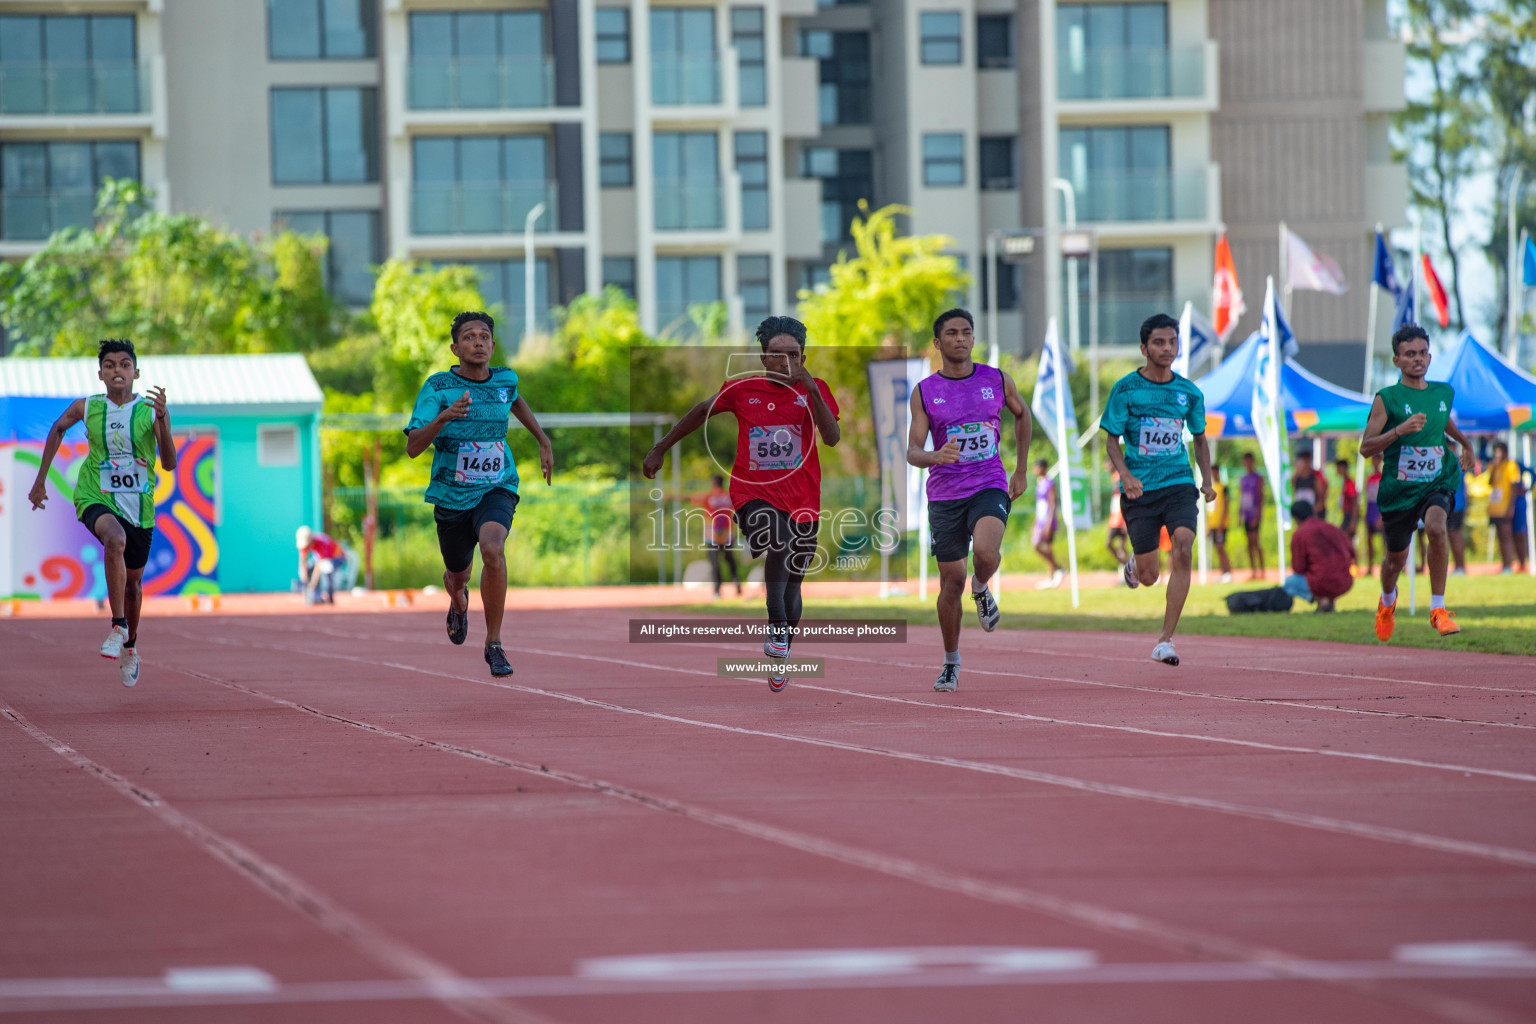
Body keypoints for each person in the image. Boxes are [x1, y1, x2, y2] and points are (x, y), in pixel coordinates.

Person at [644, 315, 840, 693]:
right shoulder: (742, 388)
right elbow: (702, 411)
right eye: (777, 355)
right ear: (763, 357)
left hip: (803, 499)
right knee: (778, 541)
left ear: (804, 357)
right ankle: (775, 627)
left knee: (793, 586)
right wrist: (660, 447)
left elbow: (831, 438)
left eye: (794, 356)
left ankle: (782, 648)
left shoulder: (816, 390)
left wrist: (812, 391)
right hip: (753, 493)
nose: (786, 363)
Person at [405, 311, 554, 678]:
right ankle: (458, 600)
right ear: (455, 348)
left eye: (484, 336)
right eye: (469, 337)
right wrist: (444, 418)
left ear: (492, 344)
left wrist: (543, 439)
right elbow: (412, 447)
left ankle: (495, 644)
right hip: (451, 496)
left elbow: (514, 398)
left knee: (493, 547)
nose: (478, 342)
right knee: (458, 576)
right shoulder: (438, 388)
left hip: (497, 485)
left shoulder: (506, 378)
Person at [27, 339, 176, 688]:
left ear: (135, 372)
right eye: (109, 365)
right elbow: (59, 428)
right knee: (114, 539)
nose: (117, 371)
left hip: (139, 506)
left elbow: (168, 464)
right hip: (96, 494)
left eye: (124, 365)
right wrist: (40, 481)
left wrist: (164, 419)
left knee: (134, 585)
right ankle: (117, 625)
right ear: (100, 374)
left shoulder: (149, 411)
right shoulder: (87, 407)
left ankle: (131, 646)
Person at [908, 308, 1030, 692]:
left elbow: (1022, 415)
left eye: (966, 332)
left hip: (988, 483)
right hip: (945, 493)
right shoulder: (926, 391)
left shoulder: (995, 379)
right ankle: (950, 661)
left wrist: (1021, 469)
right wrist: (935, 456)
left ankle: (982, 586)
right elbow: (913, 451)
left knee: (987, 555)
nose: (960, 339)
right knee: (950, 582)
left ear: (973, 339)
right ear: (937, 342)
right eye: (951, 333)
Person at [1101, 313, 1215, 666]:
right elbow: (1111, 440)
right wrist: (1125, 475)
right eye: (1159, 343)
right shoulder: (1125, 390)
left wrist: (1207, 480)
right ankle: (1137, 564)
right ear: (1144, 348)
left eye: (1173, 342)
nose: (1167, 349)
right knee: (1150, 577)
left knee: (1183, 548)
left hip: (1179, 482)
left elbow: (1199, 439)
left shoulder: (1188, 392)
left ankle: (1166, 640)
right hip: (1139, 491)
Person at [1359, 323, 1476, 640]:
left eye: (1423, 353)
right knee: (1395, 560)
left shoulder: (1443, 393)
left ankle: (1438, 609)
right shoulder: (1388, 399)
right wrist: (1399, 430)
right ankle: (1387, 602)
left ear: (1430, 355)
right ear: (1396, 360)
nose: (1418, 359)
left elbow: (1442, 421)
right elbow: (1365, 447)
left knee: (1438, 528)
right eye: (1410, 354)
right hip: (1399, 490)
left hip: (1437, 480)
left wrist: (1465, 444)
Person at [1285, 500, 1356, 612]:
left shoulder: (1300, 533)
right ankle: (1329, 599)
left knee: (1289, 583)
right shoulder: (1332, 528)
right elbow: (1352, 552)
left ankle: (1322, 600)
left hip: (1319, 582)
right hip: (1345, 581)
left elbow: (1298, 568)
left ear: (1296, 518)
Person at [697, 475, 742, 598]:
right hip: (727, 534)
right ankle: (737, 585)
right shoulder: (728, 497)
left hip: (712, 535)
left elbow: (690, 498)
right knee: (730, 560)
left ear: (712, 483)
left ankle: (717, 590)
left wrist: (670, 496)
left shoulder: (709, 497)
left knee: (715, 563)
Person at [1486, 441, 1524, 574]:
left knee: (1507, 535)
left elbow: (1514, 486)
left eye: (1499, 451)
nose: (1497, 454)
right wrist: (1495, 467)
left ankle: (1510, 564)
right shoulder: (1493, 465)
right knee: (1500, 536)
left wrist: (1510, 507)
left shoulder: (1511, 466)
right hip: (1495, 507)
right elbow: (1490, 482)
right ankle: (1504, 563)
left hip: (1505, 506)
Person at [1030, 459, 1064, 588]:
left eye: (1037, 466)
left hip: (1047, 520)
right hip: (1040, 519)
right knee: (1036, 545)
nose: (1035, 469)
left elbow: (1052, 502)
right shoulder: (1039, 483)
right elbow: (1040, 505)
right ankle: (1057, 568)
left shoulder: (1049, 483)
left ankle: (1052, 575)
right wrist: (1035, 521)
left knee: (1046, 546)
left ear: (1043, 467)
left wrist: (1049, 522)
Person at [296, 525, 344, 605]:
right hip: (322, 560)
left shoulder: (322, 542)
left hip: (337, 558)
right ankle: (315, 595)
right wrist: (303, 575)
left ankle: (329, 596)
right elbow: (302, 562)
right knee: (309, 567)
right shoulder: (305, 544)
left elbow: (319, 566)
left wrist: (312, 585)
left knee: (327, 570)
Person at [1238, 451, 1266, 579]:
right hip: (1246, 515)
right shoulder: (1243, 479)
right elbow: (1241, 497)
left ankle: (1262, 570)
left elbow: (1261, 497)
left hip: (1254, 515)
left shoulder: (1258, 478)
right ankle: (1253, 571)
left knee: (1256, 542)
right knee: (1249, 544)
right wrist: (1240, 515)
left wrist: (1258, 515)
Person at [1208, 465, 1233, 582]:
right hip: (1213, 524)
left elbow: (1226, 506)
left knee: (1221, 547)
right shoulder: (1211, 487)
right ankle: (1223, 572)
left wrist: (1221, 524)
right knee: (1217, 548)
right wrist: (1208, 525)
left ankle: (1228, 572)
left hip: (1221, 524)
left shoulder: (1223, 487)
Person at [1291, 449, 1329, 522]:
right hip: (1301, 515)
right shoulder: (1296, 478)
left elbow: (1322, 497)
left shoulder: (1316, 477)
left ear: (1308, 462)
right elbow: (1290, 488)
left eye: (1302, 462)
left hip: (1314, 515)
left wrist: (1315, 509)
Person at [1362, 455, 1383, 572]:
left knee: (1385, 541)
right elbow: (1367, 498)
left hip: (1379, 511)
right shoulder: (1369, 479)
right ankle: (1370, 566)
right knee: (1369, 540)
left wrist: (1381, 516)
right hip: (1370, 510)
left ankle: (1385, 565)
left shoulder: (1383, 477)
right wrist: (1366, 514)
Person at [1105, 469, 1130, 570]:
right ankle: (1128, 566)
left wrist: (1125, 522)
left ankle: (1128, 568)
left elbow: (1125, 509)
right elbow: (1113, 510)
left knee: (1120, 547)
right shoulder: (1115, 497)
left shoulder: (1122, 496)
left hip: (1120, 522)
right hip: (1114, 522)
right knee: (1112, 546)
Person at [1333, 458, 1360, 538]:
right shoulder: (1345, 482)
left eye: (1339, 468)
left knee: (1346, 540)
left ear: (1344, 468)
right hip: (1346, 515)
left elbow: (1355, 503)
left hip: (1350, 515)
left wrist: (1353, 521)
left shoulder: (1349, 483)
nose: (1337, 470)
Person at [1514, 458, 1532, 573]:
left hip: (1518, 503)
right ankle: (1514, 562)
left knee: (1520, 533)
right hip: (1504, 504)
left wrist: (1527, 488)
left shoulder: (1516, 464)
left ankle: (1523, 562)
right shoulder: (1499, 464)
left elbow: (1532, 472)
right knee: (1510, 534)